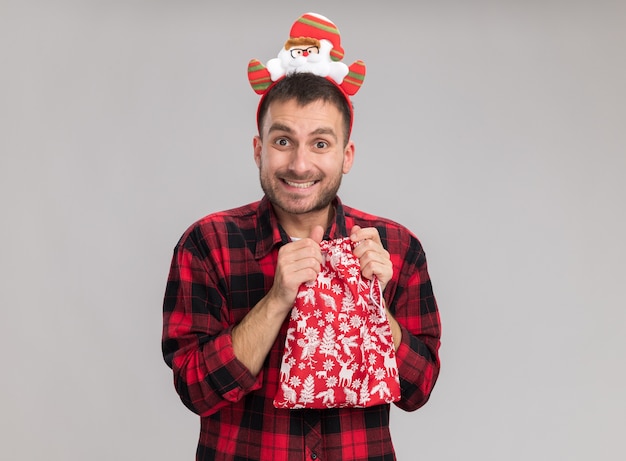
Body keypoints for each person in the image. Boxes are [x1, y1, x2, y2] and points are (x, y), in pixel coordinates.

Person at [162, 12, 441, 461]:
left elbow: (418, 389)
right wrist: (275, 301)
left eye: (321, 143)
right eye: (283, 141)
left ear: (346, 155)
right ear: (259, 148)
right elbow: (195, 390)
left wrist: (374, 310)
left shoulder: (397, 248)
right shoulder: (207, 243)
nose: (299, 164)